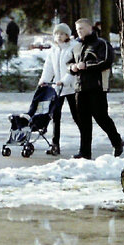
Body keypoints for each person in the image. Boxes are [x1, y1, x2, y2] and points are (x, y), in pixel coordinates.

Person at [68, 18, 124, 160]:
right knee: (83, 121)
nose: (79, 31)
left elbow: (106, 61)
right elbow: (69, 63)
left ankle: (117, 141)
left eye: (81, 28)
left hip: (97, 87)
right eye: (77, 29)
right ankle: (85, 152)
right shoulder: (76, 47)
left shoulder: (101, 44)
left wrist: (86, 65)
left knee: (101, 117)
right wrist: (72, 68)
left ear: (90, 28)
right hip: (80, 88)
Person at [37, 22, 76, 155]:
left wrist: (64, 81)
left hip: (71, 87)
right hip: (57, 87)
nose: (59, 36)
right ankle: (55, 144)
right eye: (57, 34)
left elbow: (73, 69)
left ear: (67, 35)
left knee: (77, 116)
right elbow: (48, 67)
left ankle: (85, 145)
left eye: (62, 34)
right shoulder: (54, 49)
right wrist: (44, 80)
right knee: (55, 115)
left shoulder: (73, 47)